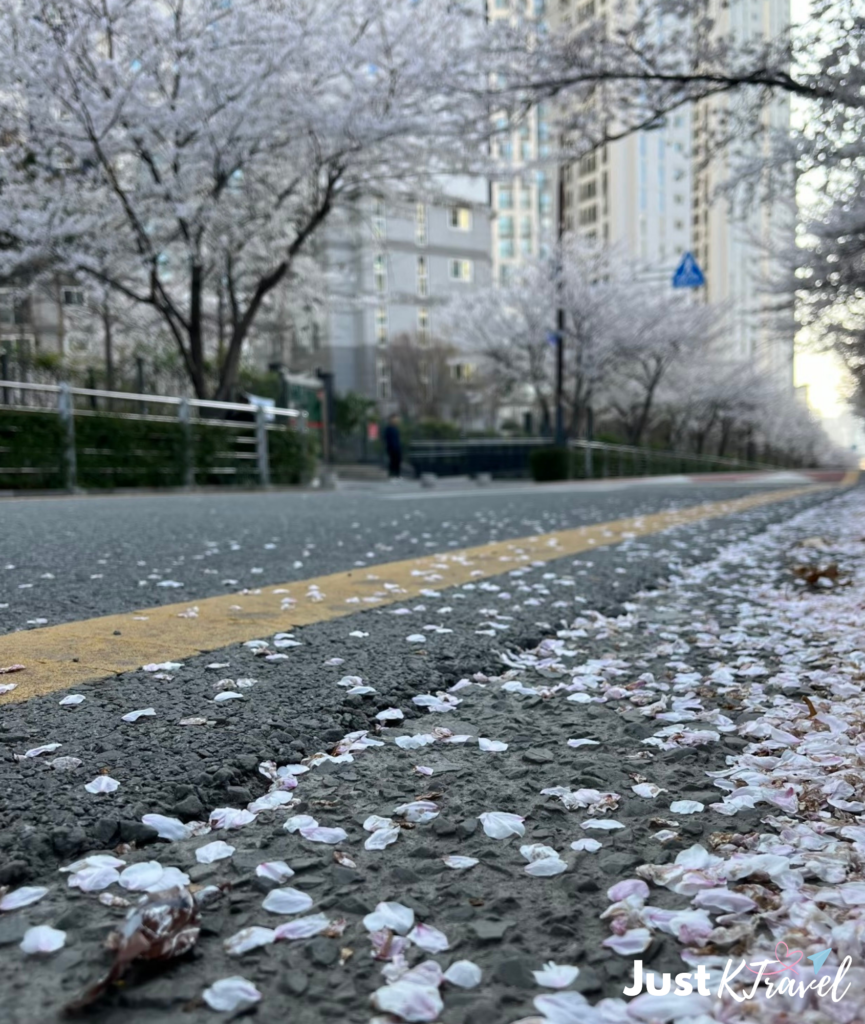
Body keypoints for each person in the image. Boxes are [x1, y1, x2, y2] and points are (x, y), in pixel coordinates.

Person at [384, 413, 402, 478]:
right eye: (395, 419)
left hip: (397, 447)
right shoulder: (388, 428)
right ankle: (392, 474)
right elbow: (386, 438)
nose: (396, 420)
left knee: (398, 461)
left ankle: (397, 474)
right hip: (391, 447)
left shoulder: (396, 428)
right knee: (392, 461)